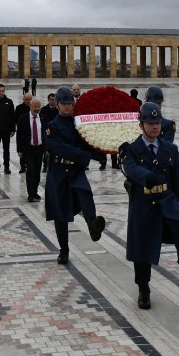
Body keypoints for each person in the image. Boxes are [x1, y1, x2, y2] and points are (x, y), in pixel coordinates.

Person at [119, 102, 179, 309]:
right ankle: (143, 289)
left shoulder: (171, 149)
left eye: (157, 122)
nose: (155, 127)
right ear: (141, 125)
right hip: (144, 204)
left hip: (167, 201)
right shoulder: (132, 149)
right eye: (150, 123)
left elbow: (178, 182)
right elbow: (130, 168)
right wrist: (146, 177)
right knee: (142, 250)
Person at [44, 86, 106, 265]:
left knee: (85, 192)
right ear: (57, 104)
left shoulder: (78, 125)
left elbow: (86, 143)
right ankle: (64, 249)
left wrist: (100, 152)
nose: (67, 107)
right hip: (58, 172)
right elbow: (60, 149)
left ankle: (92, 225)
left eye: (70, 103)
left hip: (75, 170)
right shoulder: (51, 126)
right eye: (63, 104)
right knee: (60, 213)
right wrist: (87, 156)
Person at [17, 97, 46, 202]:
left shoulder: (43, 118)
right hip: (28, 149)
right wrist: (19, 150)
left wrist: (46, 148)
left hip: (39, 149)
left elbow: (45, 134)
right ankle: (31, 194)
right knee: (31, 170)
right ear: (30, 106)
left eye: (39, 106)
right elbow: (19, 135)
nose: (37, 108)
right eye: (35, 106)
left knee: (37, 171)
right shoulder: (23, 118)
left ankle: (35, 192)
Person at [15, 93, 33, 173]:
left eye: (30, 100)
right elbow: (16, 119)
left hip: (32, 131)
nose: (29, 101)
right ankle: (22, 166)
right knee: (22, 149)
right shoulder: (19, 108)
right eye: (27, 100)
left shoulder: (33, 107)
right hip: (22, 132)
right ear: (23, 99)